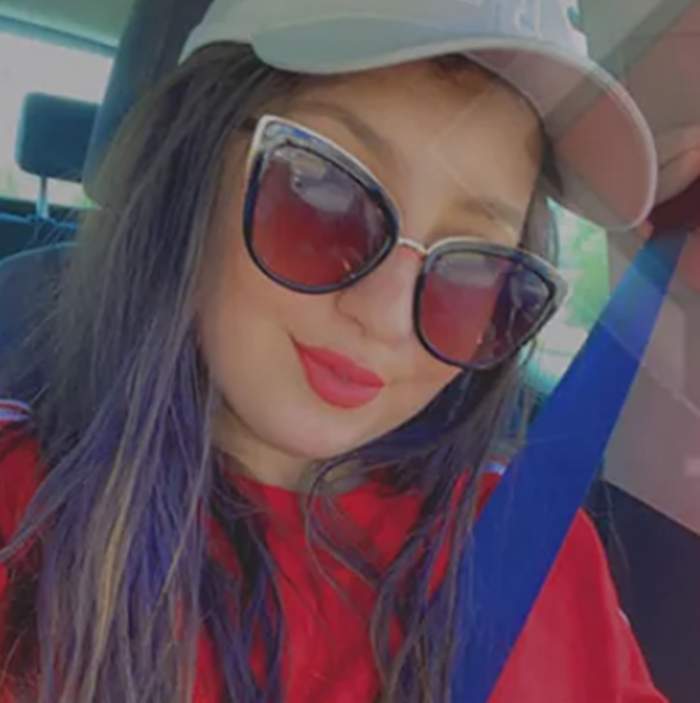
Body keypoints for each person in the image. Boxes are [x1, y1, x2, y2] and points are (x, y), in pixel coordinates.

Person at [0, 1, 670, 702]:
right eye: (322, 192)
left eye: (475, 267)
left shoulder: (527, 548)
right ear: (191, 167)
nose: (385, 317)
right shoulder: (24, 518)